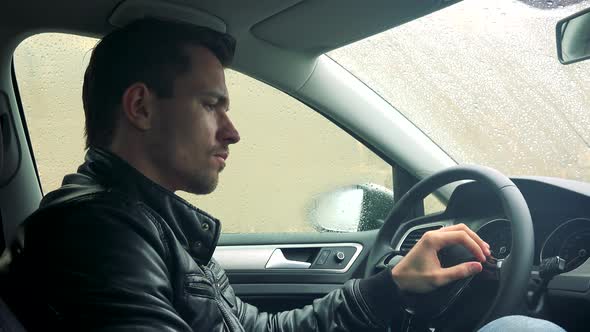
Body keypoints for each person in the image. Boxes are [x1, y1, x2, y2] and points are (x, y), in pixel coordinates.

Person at [11, 18, 565, 332]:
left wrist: (390, 287)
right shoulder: (95, 235)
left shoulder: (148, 223)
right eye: (211, 105)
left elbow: (257, 331)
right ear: (141, 107)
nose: (231, 132)